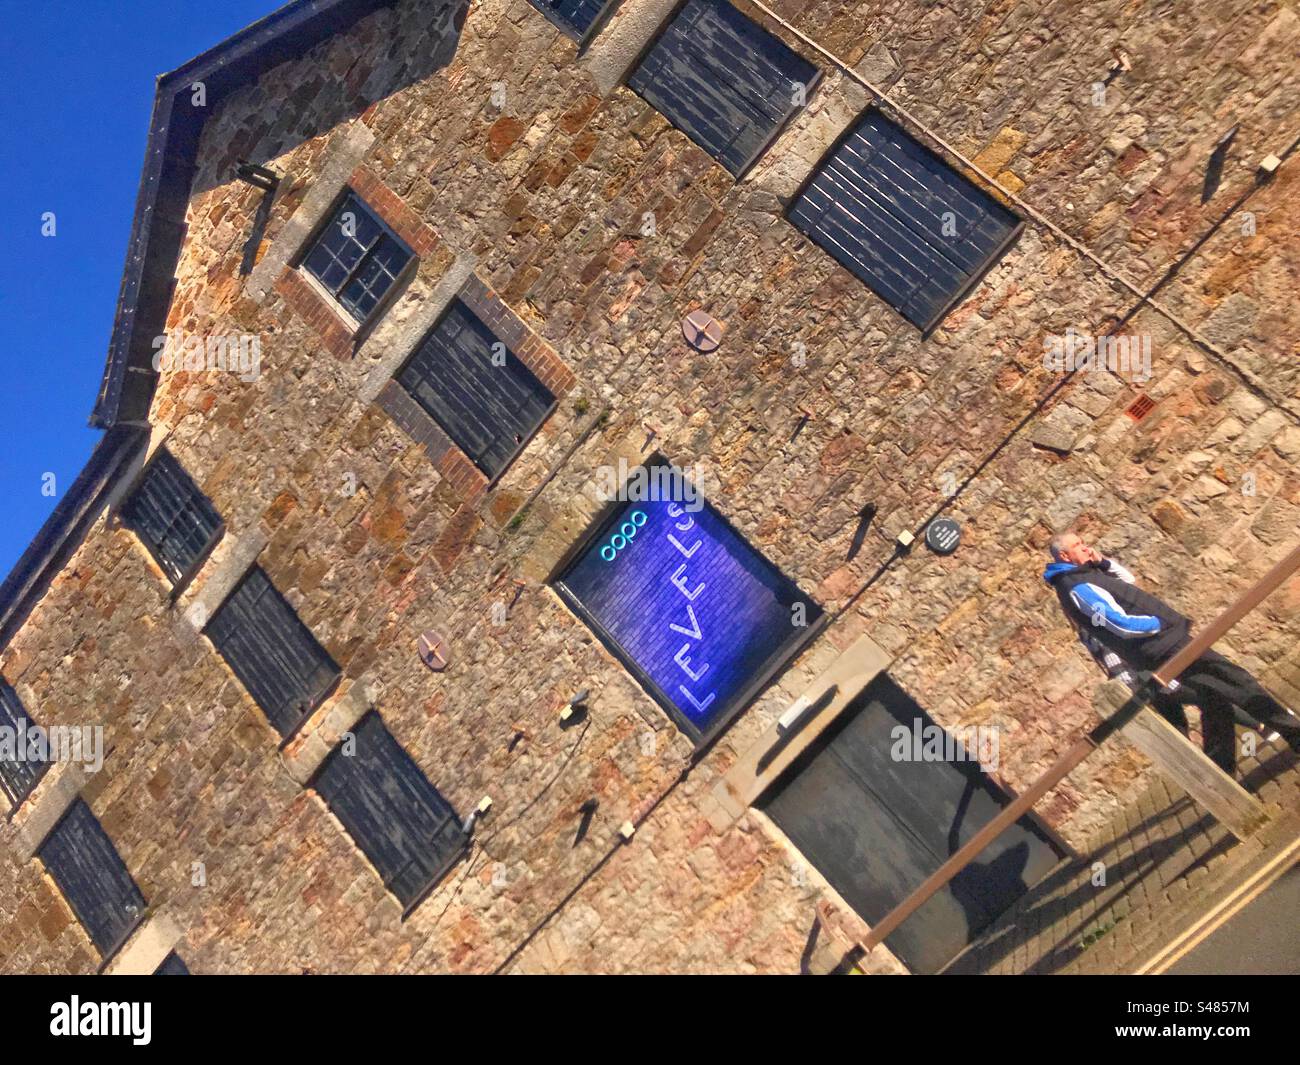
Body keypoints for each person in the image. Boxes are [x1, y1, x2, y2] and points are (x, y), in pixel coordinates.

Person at [1043, 532, 1300, 774]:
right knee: (1236, 681)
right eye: (1078, 545)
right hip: (1165, 647)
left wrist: (1104, 562)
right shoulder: (1076, 587)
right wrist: (1159, 624)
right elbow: (1118, 623)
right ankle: (1294, 733)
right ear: (1064, 556)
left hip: (1166, 645)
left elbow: (1128, 582)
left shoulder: (1088, 574)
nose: (1086, 547)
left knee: (1215, 697)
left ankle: (1219, 774)